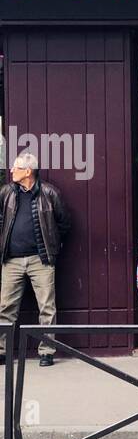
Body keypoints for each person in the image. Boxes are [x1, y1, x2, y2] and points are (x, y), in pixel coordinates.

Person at [0, 151, 71, 367]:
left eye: (16, 167)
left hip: (41, 260)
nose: (11, 170)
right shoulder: (6, 193)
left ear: (28, 171)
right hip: (11, 260)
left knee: (47, 307)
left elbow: (64, 223)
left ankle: (46, 351)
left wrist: (52, 248)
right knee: (5, 307)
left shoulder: (50, 193)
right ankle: (2, 351)